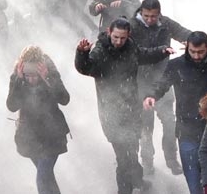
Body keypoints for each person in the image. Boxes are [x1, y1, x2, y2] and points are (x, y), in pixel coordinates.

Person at [74, 18, 175, 194]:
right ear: (109, 32)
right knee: (123, 158)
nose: (119, 42)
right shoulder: (100, 50)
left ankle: (138, 180)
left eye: (122, 38)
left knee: (132, 151)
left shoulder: (130, 47)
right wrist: (81, 53)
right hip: (111, 113)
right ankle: (125, 190)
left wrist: (162, 51)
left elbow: (144, 54)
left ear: (128, 36)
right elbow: (86, 68)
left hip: (132, 109)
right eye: (115, 37)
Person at [144, 31, 207, 194]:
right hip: (187, 127)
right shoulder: (176, 65)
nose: (196, 56)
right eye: (193, 51)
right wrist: (151, 95)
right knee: (194, 178)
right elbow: (162, 83)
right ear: (186, 47)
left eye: (201, 52)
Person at [131, 0, 192, 176]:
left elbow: (184, 32)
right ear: (141, 12)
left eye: (154, 16)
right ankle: (147, 162)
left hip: (163, 81)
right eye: (147, 15)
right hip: (141, 83)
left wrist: (194, 42)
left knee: (170, 123)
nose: (150, 19)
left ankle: (171, 159)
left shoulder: (164, 23)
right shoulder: (132, 26)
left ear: (159, 13)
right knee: (145, 127)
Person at [6, 45, 70, 194]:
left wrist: (47, 78)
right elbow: (12, 106)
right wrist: (19, 81)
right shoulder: (18, 77)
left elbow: (65, 99)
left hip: (52, 135)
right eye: (28, 75)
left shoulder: (50, 73)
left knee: (42, 176)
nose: (32, 79)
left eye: (35, 75)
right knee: (47, 178)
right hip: (30, 137)